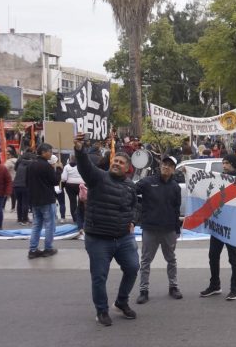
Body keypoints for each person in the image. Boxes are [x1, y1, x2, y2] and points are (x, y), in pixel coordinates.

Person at [75, 133, 140, 327]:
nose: (117, 163)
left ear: (128, 168)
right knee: (99, 276)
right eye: (115, 160)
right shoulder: (98, 178)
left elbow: (135, 207)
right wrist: (80, 150)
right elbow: (85, 167)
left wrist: (133, 221)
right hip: (98, 239)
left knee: (132, 268)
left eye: (121, 162)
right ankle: (101, 311)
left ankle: (121, 302)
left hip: (123, 238)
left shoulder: (130, 186)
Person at [136, 155, 182, 304]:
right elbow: (132, 191)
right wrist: (140, 210)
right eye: (164, 164)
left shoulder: (175, 187)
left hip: (169, 230)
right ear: (160, 166)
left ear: (174, 170)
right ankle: (143, 290)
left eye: (170, 165)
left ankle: (173, 287)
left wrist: (177, 229)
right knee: (145, 261)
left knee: (171, 260)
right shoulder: (148, 182)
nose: (166, 167)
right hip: (150, 228)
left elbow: (176, 209)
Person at [200, 153, 236, 301]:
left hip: (232, 225)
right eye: (223, 163)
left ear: (234, 164)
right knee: (213, 255)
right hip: (218, 224)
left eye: (227, 163)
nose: (224, 165)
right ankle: (215, 285)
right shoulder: (219, 179)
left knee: (233, 258)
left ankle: (235, 288)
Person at [26, 144, 62, 259]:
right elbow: (55, 181)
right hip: (47, 199)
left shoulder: (30, 165)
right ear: (44, 152)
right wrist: (59, 169)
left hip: (34, 200)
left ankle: (33, 249)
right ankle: (48, 248)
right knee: (49, 225)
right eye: (50, 152)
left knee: (36, 225)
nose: (51, 154)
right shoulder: (46, 166)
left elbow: (27, 182)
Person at [61, 154, 84, 227]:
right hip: (81, 185)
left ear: (70, 159)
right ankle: (81, 217)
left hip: (70, 185)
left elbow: (64, 178)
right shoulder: (81, 166)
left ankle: (74, 218)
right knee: (81, 202)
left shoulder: (66, 167)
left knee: (72, 202)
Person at [13, 150, 35, 225]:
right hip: (26, 185)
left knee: (19, 202)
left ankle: (19, 218)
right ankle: (24, 219)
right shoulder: (32, 164)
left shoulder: (19, 162)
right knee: (25, 203)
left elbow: (15, 169)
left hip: (16, 184)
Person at [4, 147, 18, 212]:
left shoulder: (9, 161)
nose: (7, 156)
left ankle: (2, 206)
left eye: (8, 154)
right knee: (13, 195)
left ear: (12, 155)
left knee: (6, 194)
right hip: (16, 180)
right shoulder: (18, 160)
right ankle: (13, 207)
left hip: (9, 180)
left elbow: (3, 170)